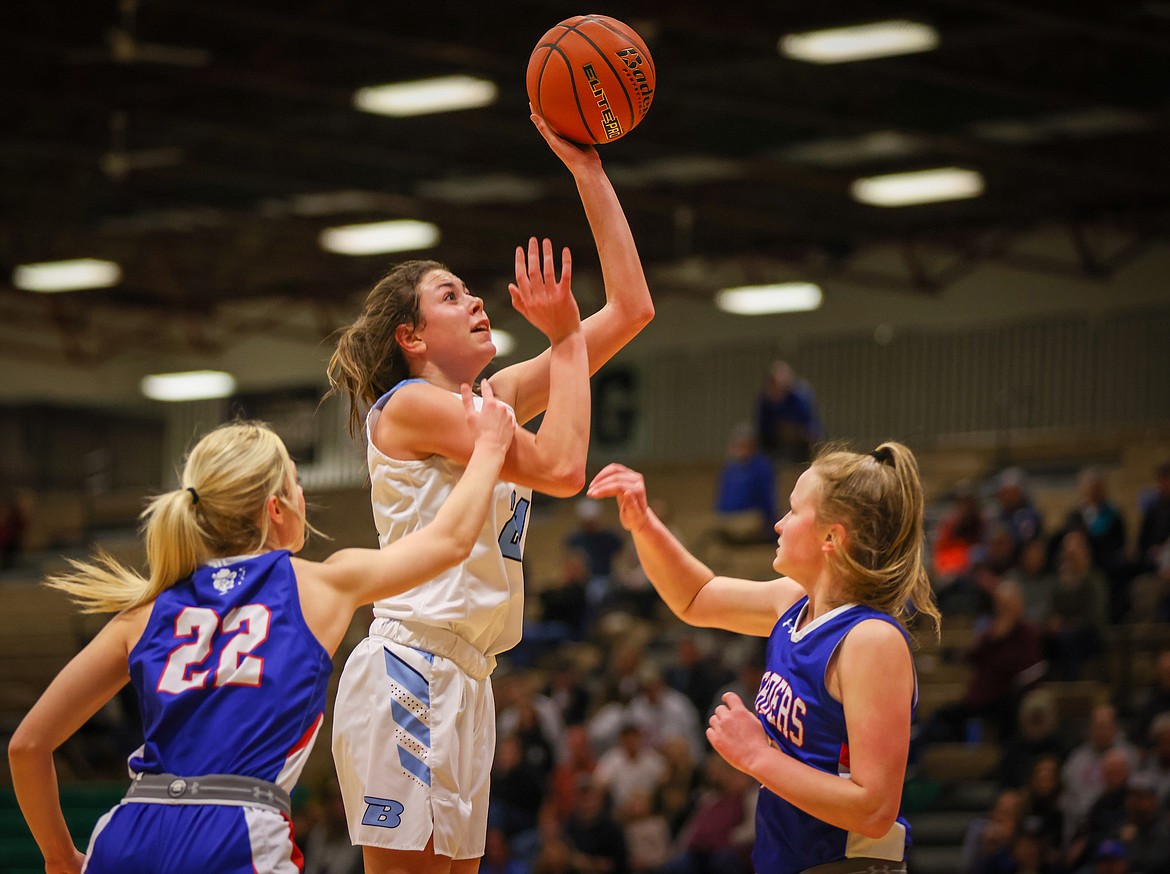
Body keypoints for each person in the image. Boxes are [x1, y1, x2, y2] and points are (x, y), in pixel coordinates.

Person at [324, 109, 653, 874]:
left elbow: (633, 308)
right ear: (412, 338)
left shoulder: (491, 400)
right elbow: (565, 469)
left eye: (472, 291)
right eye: (452, 296)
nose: (477, 302)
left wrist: (590, 176)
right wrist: (565, 339)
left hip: (470, 675)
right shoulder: (409, 407)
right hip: (409, 665)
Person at [7, 387, 515, 874]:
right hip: (236, 832)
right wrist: (490, 447)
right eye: (296, 484)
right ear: (277, 508)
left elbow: (27, 746)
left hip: (128, 833)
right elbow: (450, 543)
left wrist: (58, 856)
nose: (302, 497)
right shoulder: (318, 585)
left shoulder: (147, 610)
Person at [587, 441, 942, 874]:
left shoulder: (870, 639)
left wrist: (757, 756)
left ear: (832, 536)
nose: (778, 523)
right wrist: (643, 524)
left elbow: (874, 808)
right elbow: (695, 598)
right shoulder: (793, 604)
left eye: (793, 511)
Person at [753, 360, 823, 465]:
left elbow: (811, 428)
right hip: (774, 444)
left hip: (800, 441)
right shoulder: (765, 401)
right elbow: (762, 429)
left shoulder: (800, 398)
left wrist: (795, 430)